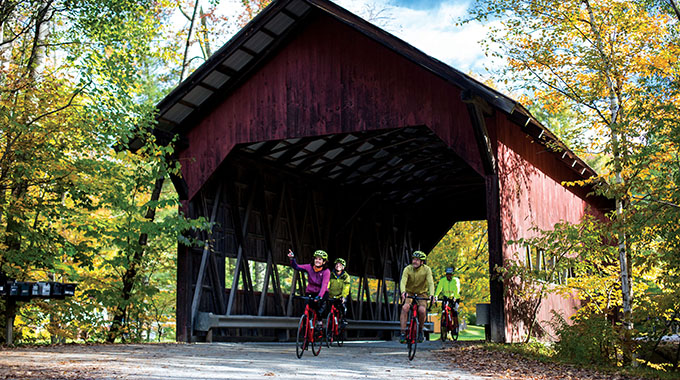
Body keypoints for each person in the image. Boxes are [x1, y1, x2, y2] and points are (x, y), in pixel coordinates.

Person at [288, 248, 331, 325]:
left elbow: (324, 285)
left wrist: (319, 296)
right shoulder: (309, 267)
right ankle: (308, 323)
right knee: (307, 307)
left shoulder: (326, 271)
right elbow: (297, 267)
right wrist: (292, 258)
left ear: (324, 262)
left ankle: (319, 322)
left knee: (318, 308)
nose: (317, 261)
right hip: (310, 291)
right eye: (316, 259)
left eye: (320, 259)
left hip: (322, 292)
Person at [399, 250, 434, 344]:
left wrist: (431, 294)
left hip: (421, 293)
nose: (414, 261)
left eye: (417, 260)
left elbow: (430, 283)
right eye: (414, 259)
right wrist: (403, 292)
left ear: (422, 262)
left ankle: (420, 331)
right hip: (409, 292)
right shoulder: (407, 269)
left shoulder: (427, 269)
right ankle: (402, 332)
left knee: (422, 310)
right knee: (405, 308)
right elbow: (403, 281)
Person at [435, 266, 461, 337]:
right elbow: (439, 288)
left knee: (454, 311)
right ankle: (445, 321)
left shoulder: (455, 280)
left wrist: (455, 297)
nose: (449, 276)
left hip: (455, 297)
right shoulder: (442, 280)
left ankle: (455, 327)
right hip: (446, 297)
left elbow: (457, 289)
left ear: (452, 275)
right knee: (444, 308)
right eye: (447, 274)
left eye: (450, 274)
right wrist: (436, 296)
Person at [327, 258, 350, 327]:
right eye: (336, 264)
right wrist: (326, 292)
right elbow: (327, 284)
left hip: (340, 295)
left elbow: (346, 287)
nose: (338, 266)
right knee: (329, 309)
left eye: (340, 265)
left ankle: (343, 319)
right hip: (331, 295)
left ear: (343, 267)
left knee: (343, 306)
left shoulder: (346, 276)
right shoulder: (331, 274)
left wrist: (343, 296)